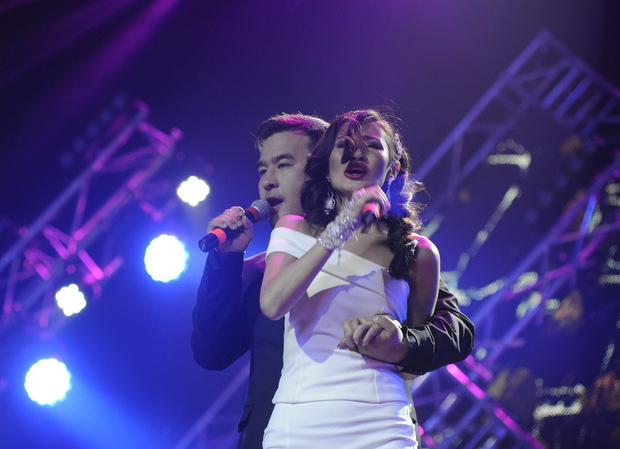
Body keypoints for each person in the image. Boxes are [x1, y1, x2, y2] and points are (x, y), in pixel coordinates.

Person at [192, 113, 474, 449]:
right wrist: (223, 262)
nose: (268, 182)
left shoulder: (407, 252)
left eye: (283, 165)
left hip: (378, 422)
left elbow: (455, 329)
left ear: (318, 164)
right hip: (285, 429)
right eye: (263, 170)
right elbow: (211, 351)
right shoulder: (260, 266)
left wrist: (400, 343)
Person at [260, 109, 439, 448]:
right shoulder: (293, 228)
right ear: (327, 163)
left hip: (382, 426)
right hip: (298, 424)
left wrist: (395, 338)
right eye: (344, 145)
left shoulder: (419, 253)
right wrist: (343, 225)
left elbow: (414, 366)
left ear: (393, 168)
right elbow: (272, 304)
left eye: (371, 145)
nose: (355, 153)